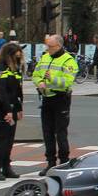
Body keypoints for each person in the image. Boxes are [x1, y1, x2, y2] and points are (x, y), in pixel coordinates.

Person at [32, 34, 79, 170]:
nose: (48, 49)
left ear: (58, 46)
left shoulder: (68, 61)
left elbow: (68, 81)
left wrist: (52, 79)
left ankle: (64, 163)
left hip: (61, 99)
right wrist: (40, 82)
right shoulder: (45, 57)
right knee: (47, 132)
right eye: (47, 46)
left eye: (50, 46)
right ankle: (50, 163)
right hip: (47, 98)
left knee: (61, 132)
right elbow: (35, 74)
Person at [0, 42, 24, 181]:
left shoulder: (15, 70)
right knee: (1, 139)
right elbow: (1, 91)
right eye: (16, 57)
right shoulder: (0, 70)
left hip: (12, 107)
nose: (18, 60)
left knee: (9, 139)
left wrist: (19, 108)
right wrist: (7, 111)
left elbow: (18, 90)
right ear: (8, 56)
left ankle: (6, 166)